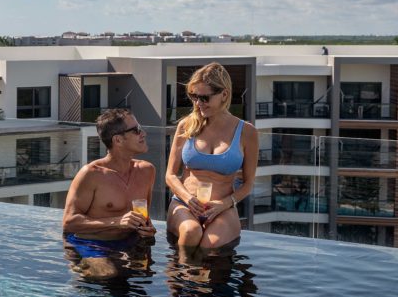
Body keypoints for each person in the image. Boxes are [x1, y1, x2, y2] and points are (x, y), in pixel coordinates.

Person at [165, 62, 259, 249]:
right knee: (191, 232)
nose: (198, 103)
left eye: (204, 98)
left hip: (222, 208)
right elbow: (170, 175)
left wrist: (224, 204)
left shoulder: (246, 132)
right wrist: (187, 198)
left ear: (224, 94)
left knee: (210, 246)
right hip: (185, 203)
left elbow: (248, 184)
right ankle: (177, 278)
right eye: (194, 96)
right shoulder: (186, 126)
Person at [63, 108, 156, 278]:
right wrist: (116, 221)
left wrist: (148, 229)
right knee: (108, 274)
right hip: (91, 243)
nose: (143, 133)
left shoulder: (147, 171)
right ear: (118, 140)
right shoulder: (91, 174)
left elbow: (144, 217)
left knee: (148, 276)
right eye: (136, 130)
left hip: (129, 242)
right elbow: (69, 222)